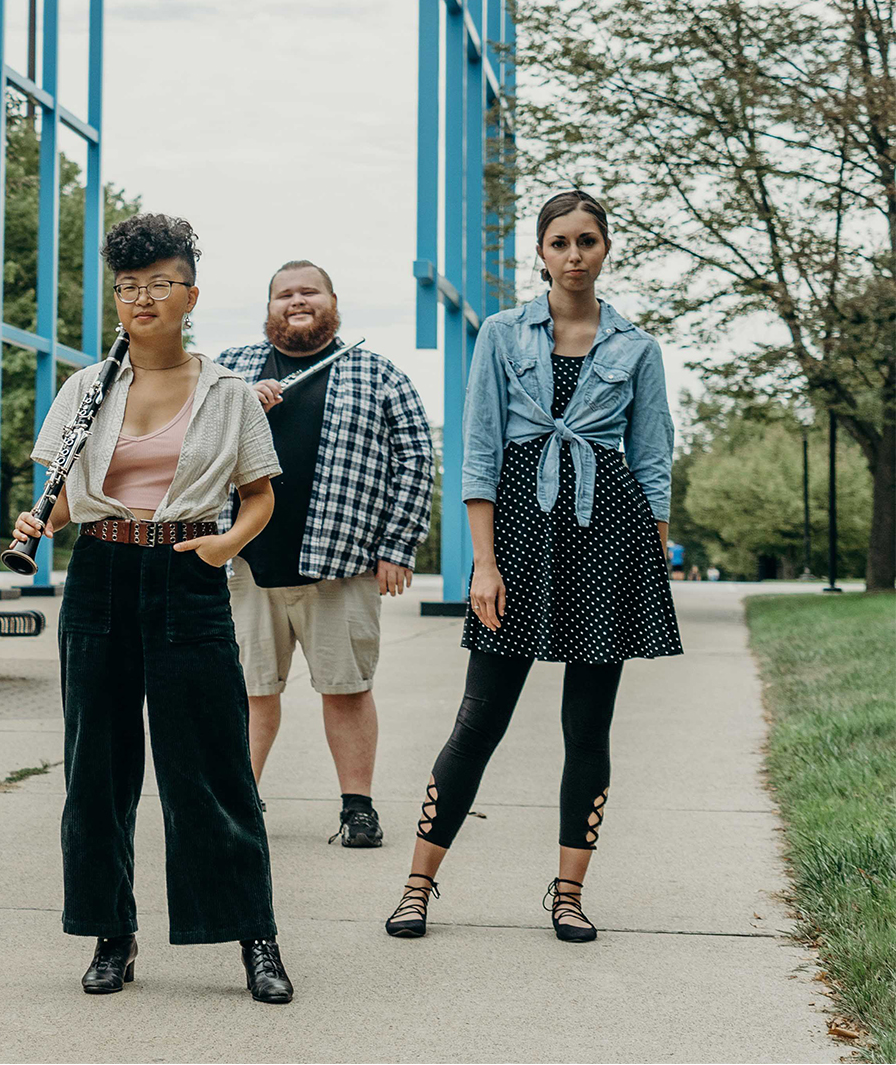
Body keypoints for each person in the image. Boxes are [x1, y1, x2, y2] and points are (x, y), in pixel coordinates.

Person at [385, 189, 681, 945]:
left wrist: (650, 562)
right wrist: (482, 564)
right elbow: (478, 452)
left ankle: (568, 893)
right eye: (559, 242)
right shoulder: (499, 334)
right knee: (479, 717)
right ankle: (418, 884)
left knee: (587, 726)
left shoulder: (635, 348)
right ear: (540, 253)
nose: (573, 255)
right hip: (516, 533)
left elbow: (651, 461)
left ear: (604, 247)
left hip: (606, 536)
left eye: (586, 240)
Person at [14, 213, 294, 1004]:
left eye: (158, 284)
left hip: (186, 568)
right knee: (96, 767)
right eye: (128, 286)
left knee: (209, 766)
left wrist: (222, 546)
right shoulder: (85, 385)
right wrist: (41, 519)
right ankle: (111, 934)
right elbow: (66, 496)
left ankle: (255, 935)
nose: (141, 298)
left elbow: (258, 496)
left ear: (189, 294)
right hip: (100, 571)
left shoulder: (226, 391)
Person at [215, 261, 434, 848]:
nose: (297, 301)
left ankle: (357, 808)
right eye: (284, 294)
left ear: (333, 302)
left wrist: (397, 545)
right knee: (249, 692)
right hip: (243, 562)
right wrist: (237, 409)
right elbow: (188, 443)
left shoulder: (378, 373)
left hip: (343, 562)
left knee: (347, 689)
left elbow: (415, 460)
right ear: (270, 308)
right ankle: (238, 806)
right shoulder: (226, 372)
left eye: (309, 291)